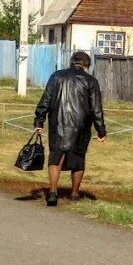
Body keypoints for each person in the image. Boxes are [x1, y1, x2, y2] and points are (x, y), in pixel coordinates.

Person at [34, 50, 107, 206]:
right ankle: (74, 194)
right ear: (86, 65)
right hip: (80, 126)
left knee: (55, 157)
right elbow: (96, 109)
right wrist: (101, 131)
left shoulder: (56, 76)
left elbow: (45, 100)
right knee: (78, 160)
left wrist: (39, 121)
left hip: (57, 123)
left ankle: (53, 192)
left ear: (71, 62)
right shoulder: (91, 81)